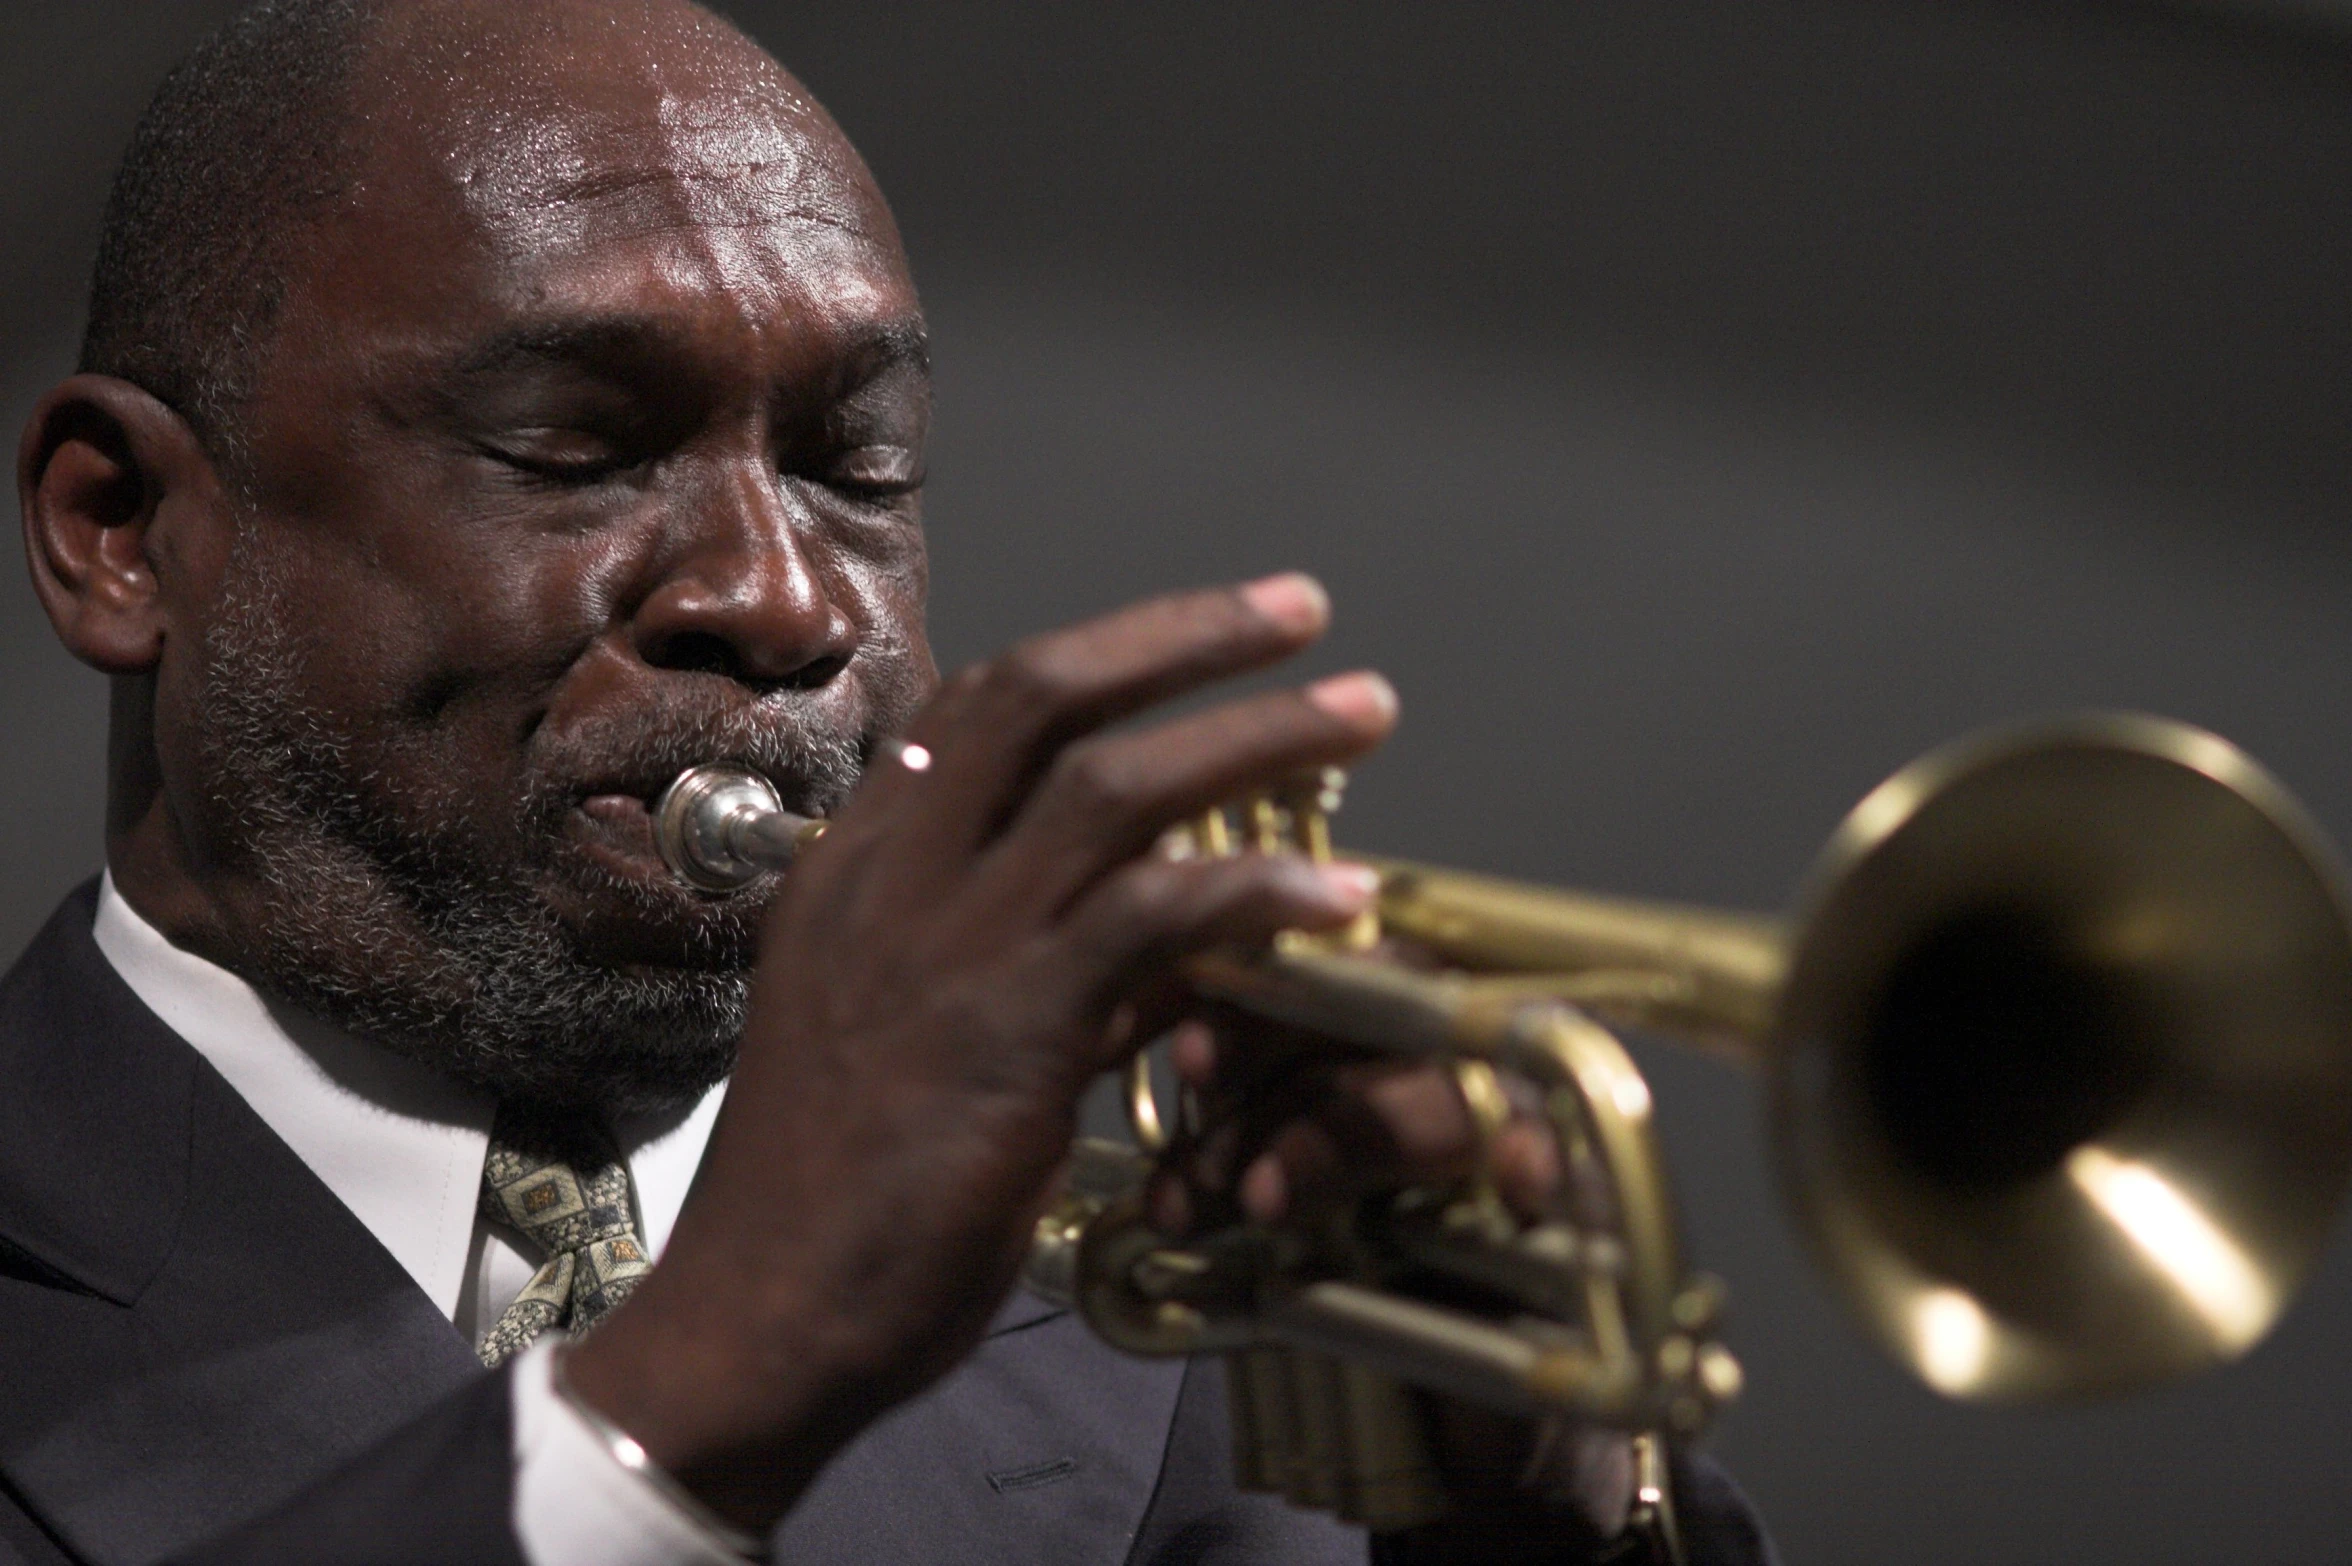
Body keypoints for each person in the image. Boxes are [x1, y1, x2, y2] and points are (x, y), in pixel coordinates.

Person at [1, 2, 1775, 1563]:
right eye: (573, 447)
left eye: (861, 464)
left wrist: (1555, 1520)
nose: (779, 596)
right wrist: (704, 1383)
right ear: (121, 533)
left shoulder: (1209, 1337)